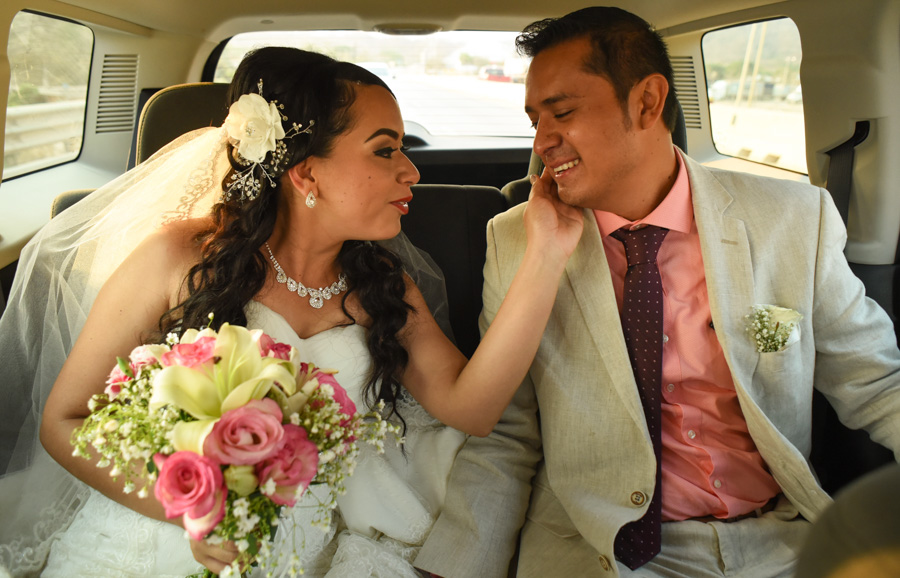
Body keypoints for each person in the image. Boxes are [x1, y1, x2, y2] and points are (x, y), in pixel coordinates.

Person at [0, 47, 581, 577]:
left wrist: (546, 254)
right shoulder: (175, 259)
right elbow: (65, 422)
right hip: (146, 543)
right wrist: (194, 509)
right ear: (305, 173)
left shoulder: (382, 288)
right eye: (386, 150)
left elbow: (473, 408)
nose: (412, 171)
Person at [415, 7, 900, 578]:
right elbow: (508, 432)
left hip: (781, 541)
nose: (542, 140)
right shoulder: (518, 238)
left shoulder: (792, 219)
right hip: (600, 548)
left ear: (646, 102)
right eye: (534, 119)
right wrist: (455, 568)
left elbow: (877, 383)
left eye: (563, 113)